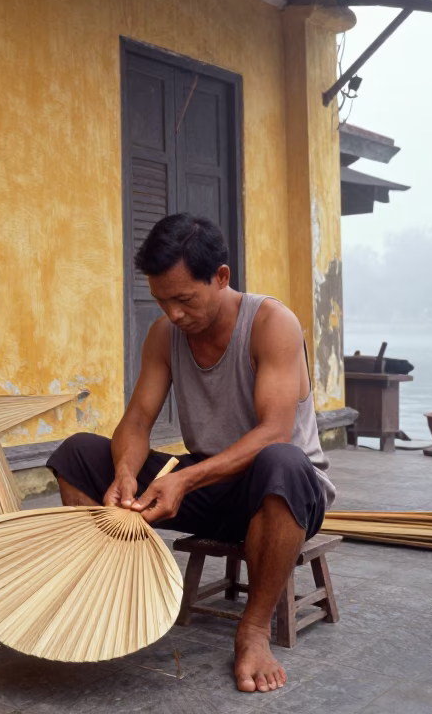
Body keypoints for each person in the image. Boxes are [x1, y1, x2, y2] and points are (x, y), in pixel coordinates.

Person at [47, 213, 336, 693]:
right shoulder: (165, 335)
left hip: (283, 494)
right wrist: (125, 472)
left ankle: (254, 630)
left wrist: (183, 479)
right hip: (211, 487)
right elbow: (138, 420)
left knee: (280, 461)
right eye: (162, 301)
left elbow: (274, 432)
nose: (174, 314)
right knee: (78, 453)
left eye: (183, 299)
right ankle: (110, 589)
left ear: (220, 277)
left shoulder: (271, 323)